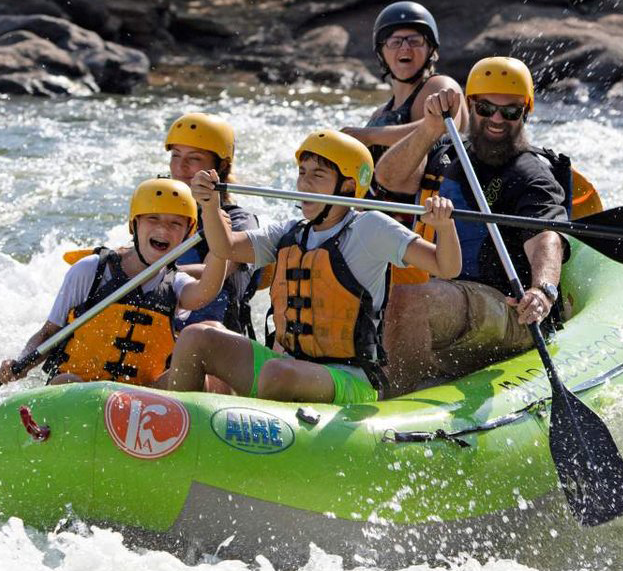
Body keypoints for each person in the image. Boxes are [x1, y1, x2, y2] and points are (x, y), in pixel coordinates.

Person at [156, 130, 461, 403]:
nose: (304, 183)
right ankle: (181, 431)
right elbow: (226, 247)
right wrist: (210, 204)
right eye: (302, 173)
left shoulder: (371, 227)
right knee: (196, 337)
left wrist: (444, 227)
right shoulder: (290, 232)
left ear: (347, 187)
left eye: (318, 175)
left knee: (277, 373)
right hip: (286, 367)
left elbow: (446, 267)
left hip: (349, 380)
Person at [375, 56, 571, 394]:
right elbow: (388, 177)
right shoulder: (452, 153)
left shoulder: (530, 175)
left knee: (410, 301)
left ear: (526, 112)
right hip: (455, 297)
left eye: (509, 111)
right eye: (485, 108)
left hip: (510, 307)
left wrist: (542, 291)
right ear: (470, 106)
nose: (496, 119)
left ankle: (400, 399)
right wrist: (429, 128)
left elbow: (545, 239)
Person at [0, 178, 227, 387]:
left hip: (140, 398)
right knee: (66, 381)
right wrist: (21, 363)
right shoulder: (90, 270)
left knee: (202, 381)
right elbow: (47, 335)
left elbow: (206, 290)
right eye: (153, 218)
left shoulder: (176, 284)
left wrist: (220, 236)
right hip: (76, 387)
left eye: (175, 223)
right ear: (134, 225)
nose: (163, 228)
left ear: (187, 233)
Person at [341, 1, 467, 285]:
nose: (405, 49)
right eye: (395, 41)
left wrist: (369, 136)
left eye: (415, 40)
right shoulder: (379, 114)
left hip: (427, 217)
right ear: (382, 52)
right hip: (380, 223)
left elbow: (449, 126)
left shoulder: (439, 86)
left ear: (431, 48)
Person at [164, 112, 260, 337]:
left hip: (216, 344)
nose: (180, 167)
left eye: (194, 158)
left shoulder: (241, 221)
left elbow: (212, 274)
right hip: (162, 337)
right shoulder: (162, 216)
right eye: (176, 156)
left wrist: (150, 274)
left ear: (222, 166)